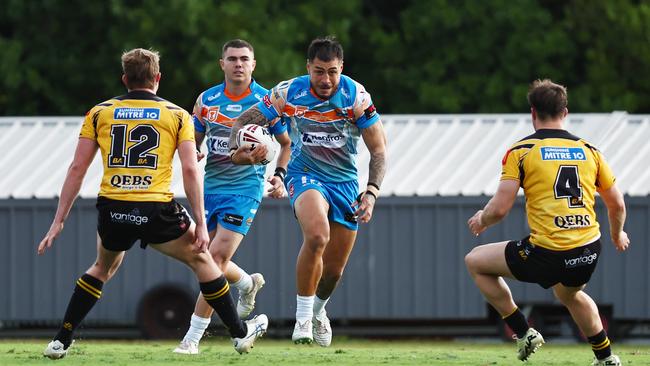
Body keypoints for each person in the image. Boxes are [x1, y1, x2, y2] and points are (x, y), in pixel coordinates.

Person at [37, 48, 268, 359]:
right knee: (203, 261)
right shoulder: (176, 114)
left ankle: (59, 341)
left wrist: (58, 220)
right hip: (155, 210)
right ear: (158, 78)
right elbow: (189, 169)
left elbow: (77, 169)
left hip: (112, 206)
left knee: (102, 267)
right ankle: (240, 334)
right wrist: (200, 222)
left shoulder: (99, 112)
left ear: (124, 79)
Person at [228, 36, 387, 346]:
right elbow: (244, 121)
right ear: (308, 68)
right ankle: (301, 320)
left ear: (341, 68)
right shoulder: (289, 92)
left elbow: (379, 150)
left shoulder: (356, 96)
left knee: (334, 272)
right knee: (317, 235)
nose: (325, 80)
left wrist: (371, 192)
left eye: (332, 71)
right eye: (318, 71)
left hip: (345, 183)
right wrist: (239, 149)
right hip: (304, 174)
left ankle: (317, 311)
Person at [465, 79, 629, 365]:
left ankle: (523, 331)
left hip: (547, 253)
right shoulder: (590, 151)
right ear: (565, 112)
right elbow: (617, 204)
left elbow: (501, 208)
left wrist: (483, 219)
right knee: (570, 293)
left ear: (532, 113)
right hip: (588, 250)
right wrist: (618, 234)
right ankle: (605, 358)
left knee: (475, 261)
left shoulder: (522, 150)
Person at [173, 39, 291, 355]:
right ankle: (246, 284)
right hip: (210, 189)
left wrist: (279, 176)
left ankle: (191, 339)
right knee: (202, 258)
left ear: (253, 64)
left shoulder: (266, 101)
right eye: (232, 59)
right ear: (221, 63)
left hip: (245, 191)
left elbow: (287, 144)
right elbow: (192, 140)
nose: (238, 64)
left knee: (213, 260)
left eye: (244, 59)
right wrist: (195, 152)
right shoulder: (206, 100)